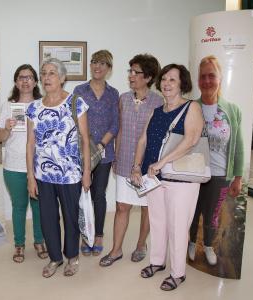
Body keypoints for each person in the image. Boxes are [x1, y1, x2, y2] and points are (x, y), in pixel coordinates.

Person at [131, 64, 204, 291]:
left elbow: (191, 140)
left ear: (183, 84)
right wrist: (136, 167)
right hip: (153, 177)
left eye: (173, 79)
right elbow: (143, 140)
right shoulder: (156, 110)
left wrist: (162, 162)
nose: (166, 83)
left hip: (181, 179)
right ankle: (157, 261)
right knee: (158, 221)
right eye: (164, 79)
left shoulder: (192, 108)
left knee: (178, 226)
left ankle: (178, 273)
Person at [26, 58, 91, 278]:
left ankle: (72, 257)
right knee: (47, 218)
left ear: (63, 78)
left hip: (70, 174)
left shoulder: (76, 103)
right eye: (44, 73)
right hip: (43, 174)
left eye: (52, 73)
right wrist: (30, 178)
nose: (46, 77)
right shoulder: (34, 107)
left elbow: (84, 139)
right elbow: (30, 144)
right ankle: (55, 258)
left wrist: (87, 172)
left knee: (71, 217)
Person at [100, 54, 163, 267]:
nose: (131, 76)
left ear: (148, 77)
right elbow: (117, 130)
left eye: (136, 72)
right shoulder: (123, 99)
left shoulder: (158, 101)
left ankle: (140, 245)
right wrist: (115, 158)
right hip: (125, 162)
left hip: (148, 166)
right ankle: (116, 250)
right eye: (130, 71)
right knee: (122, 207)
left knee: (147, 208)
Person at [188, 55, 244, 266]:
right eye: (203, 77)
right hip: (194, 173)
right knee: (193, 212)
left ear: (220, 78)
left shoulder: (232, 110)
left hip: (220, 174)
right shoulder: (192, 107)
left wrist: (237, 177)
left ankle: (209, 245)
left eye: (212, 75)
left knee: (212, 215)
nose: (207, 81)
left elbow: (237, 146)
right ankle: (192, 242)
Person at [0, 64, 48, 263]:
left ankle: (39, 241)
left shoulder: (43, 104)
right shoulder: (8, 106)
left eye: (29, 77)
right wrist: (7, 128)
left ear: (35, 82)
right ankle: (19, 244)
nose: (25, 81)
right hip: (14, 166)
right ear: (16, 82)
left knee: (38, 207)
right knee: (19, 206)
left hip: (39, 166)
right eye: (21, 77)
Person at [73, 50, 119, 256]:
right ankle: (85, 233)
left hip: (104, 152)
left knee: (98, 194)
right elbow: (73, 119)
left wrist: (100, 145)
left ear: (108, 69)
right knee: (82, 194)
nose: (97, 66)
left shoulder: (113, 93)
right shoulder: (79, 90)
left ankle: (98, 234)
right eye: (94, 62)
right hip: (82, 152)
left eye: (102, 63)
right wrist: (87, 144)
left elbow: (115, 124)